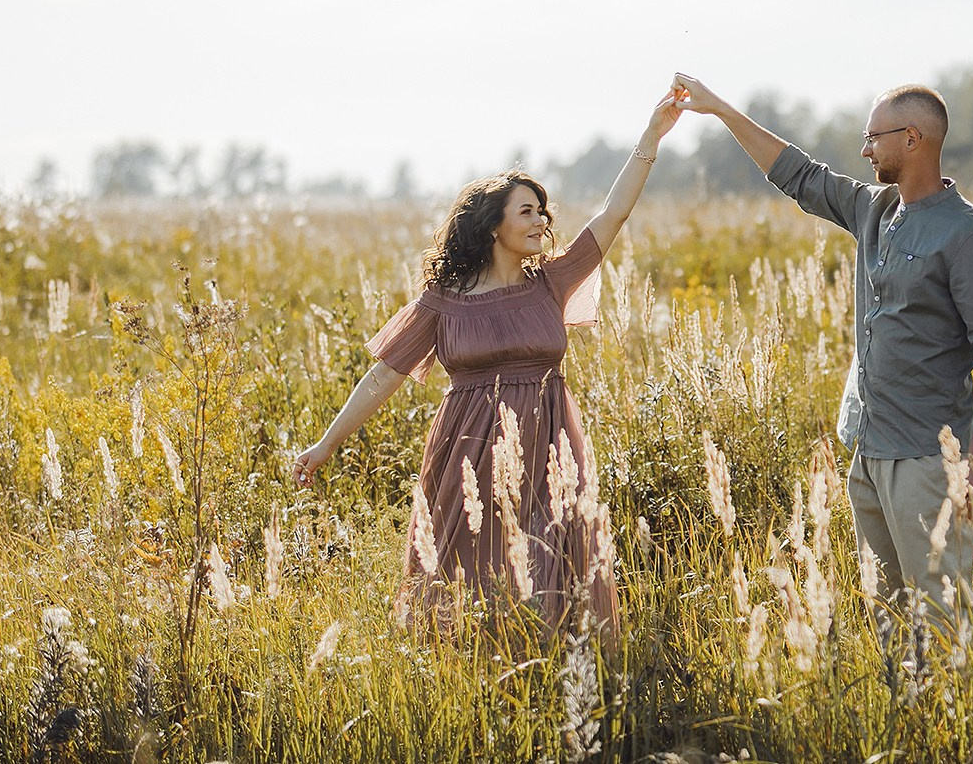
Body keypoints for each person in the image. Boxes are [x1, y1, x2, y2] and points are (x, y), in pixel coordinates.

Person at [293, 94, 683, 643]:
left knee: (551, 574)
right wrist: (326, 444)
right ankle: (475, 692)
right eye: (526, 210)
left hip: (551, 450)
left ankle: (553, 686)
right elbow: (384, 374)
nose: (540, 220)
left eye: (541, 211)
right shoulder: (443, 300)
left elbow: (613, 213)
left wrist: (652, 135)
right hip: (469, 454)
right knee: (468, 583)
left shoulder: (551, 280)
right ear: (492, 224)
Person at [669, 73, 973, 635]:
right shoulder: (874, 210)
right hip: (869, 455)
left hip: (930, 461)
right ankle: (910, 716)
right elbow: (798, 175)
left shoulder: (968, 237)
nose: (864, 149)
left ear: (912, 139)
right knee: (887, 620)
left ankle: (964, 718)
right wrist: (721, 111)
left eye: (872, 137)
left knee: (947, 616)